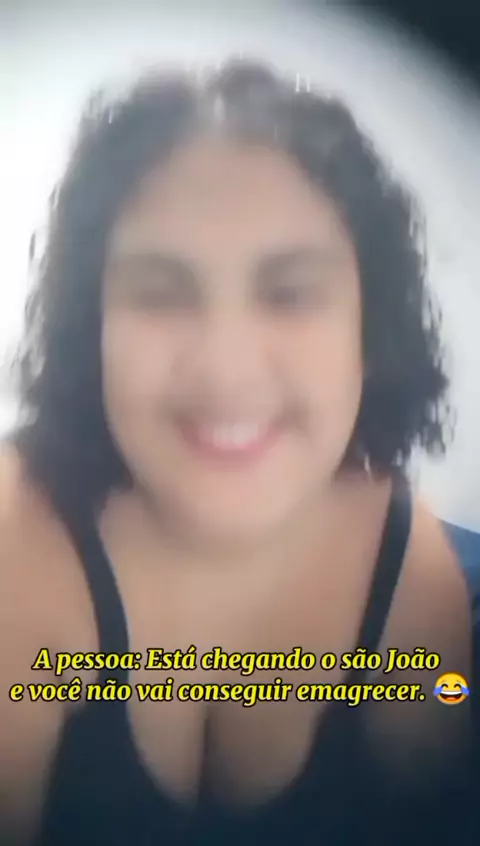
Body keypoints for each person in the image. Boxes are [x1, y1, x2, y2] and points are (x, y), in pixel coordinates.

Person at [0, 59, 476, 846]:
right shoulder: (13, 550)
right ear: (93, 329)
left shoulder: (406, 571)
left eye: (289, 293)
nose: (227, 368)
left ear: (371, 328)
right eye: (161, 293)